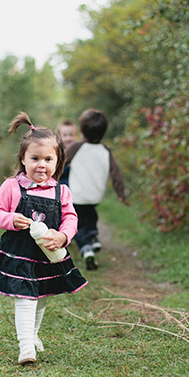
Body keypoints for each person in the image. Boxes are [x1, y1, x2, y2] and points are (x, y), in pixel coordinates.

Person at [0, 112, 87, 365]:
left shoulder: (61, 191)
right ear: (23, 159)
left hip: (48, 254)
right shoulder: (12, 186)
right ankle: (26, 346)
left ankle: (34, 334)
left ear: (57, 161)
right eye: (35, 158)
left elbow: (71, 219)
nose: (42, 164)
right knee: (26, 297)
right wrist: (11, 219)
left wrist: (63, 236)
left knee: (40, 298)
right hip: (21, 253)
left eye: (48, 159)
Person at [65, 108, 128, 270]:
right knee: (90, 213)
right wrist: (121, 194)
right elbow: (116, 174)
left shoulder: (76, 147)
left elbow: (59, 163)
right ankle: (93, 236)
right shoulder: (106, 151)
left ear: (81, 131)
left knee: (77, 222)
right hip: (95, 196)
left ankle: (86, 247)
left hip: (77, 195)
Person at [56, 120, 79, 186]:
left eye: (71, 135)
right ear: (60, 137)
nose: (68, 138)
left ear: (76, 136)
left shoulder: (78, 151)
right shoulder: (59, 152)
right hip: (63, 186)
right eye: (65, 135)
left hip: (77, 186)